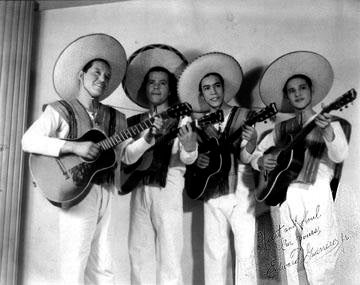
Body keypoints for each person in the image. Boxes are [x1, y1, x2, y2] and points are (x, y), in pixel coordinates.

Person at [22, 34, 161, 285]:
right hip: (75, 191)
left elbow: (126, 156)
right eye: (97, 72)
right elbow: (28, 141)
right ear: (81, 75)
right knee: (75, 260)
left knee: (103, 263)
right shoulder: (60, 109)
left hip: (105, 190)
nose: (102, 79)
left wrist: (147, 138)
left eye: (107, 77)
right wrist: (74, 148)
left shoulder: (115, 118)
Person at [251, 51, 350, 284]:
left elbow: (339, 155)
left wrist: (327, 132)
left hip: (317, 194)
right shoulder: (281, 129)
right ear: (287, 96)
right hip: (287, 196)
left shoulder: (331, 122)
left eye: (302, 88)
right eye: (292, 90)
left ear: (312, 91)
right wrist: (260, 161)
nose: (297, 94)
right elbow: (256, 154)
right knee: (290, 260)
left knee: (320, 261)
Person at [178, 52, 259, 285]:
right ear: (201, 93)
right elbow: (187, 158)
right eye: (206, 88)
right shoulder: (193, 122)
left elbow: (245, 157)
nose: (212, 92)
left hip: (242, 192)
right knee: (214, 253)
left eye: (216, 86)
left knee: (246, 253)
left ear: (224, 89)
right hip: (211, 192)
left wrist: (252, 142)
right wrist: (193, 151)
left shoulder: (244, 115)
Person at [121, 44, 198, 285]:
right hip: (138, 189)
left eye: (162, 82)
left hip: (168, 187)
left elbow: (187, 159)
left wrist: (189, 146)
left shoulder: (182, 118)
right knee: (138, 253)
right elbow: (127, 158)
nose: (156, 86)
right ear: (145, 87)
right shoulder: (133, 122)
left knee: (170, 255)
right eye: (151, 82)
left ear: (170, 89)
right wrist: (146, 140)